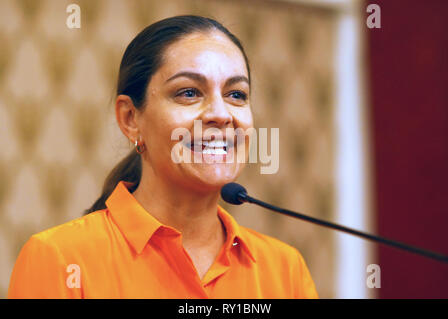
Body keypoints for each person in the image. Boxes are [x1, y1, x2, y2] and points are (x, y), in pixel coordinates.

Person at [8, 15, 318, 299]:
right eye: (189, 92)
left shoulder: (285, 269)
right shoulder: (60, 259)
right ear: (130, 118)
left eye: (236, 94)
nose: (221, 115)